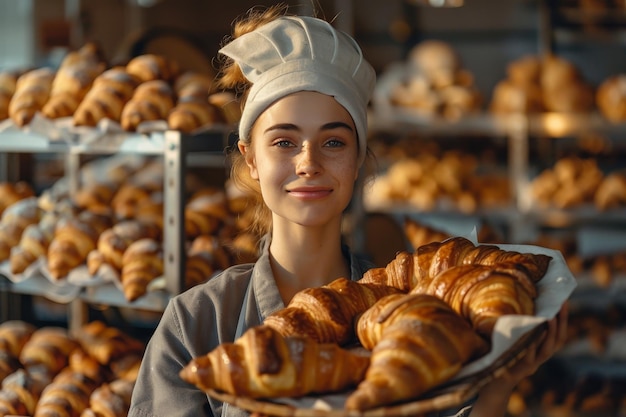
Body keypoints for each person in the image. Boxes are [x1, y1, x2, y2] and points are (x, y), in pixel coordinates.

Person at [128, 4, 568, 417]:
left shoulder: (417, 312)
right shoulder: (197, 323)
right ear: (252, 160)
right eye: (283, 141)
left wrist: (498, 386)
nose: (308, 162)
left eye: (334, 141)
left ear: (357, 160)